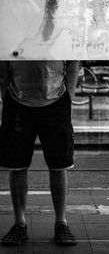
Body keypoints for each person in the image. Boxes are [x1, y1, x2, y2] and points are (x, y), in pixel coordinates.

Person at [0, 60, 79, 247]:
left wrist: (69, 95)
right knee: (17, 165)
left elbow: (73, 60)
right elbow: (2, 60)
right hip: (18, 100)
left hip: (56, 100)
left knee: (59, 165)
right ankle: (20, 223)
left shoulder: (59, 29)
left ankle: (61, 223)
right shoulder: (12, 30)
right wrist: (6, 94)